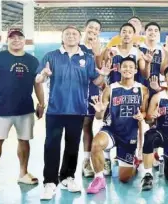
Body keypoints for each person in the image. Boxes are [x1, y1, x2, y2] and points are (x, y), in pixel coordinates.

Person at [35, 25, 112, 200]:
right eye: (67, 34)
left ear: (79, 38)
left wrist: (105, 75)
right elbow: (38, 78)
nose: (71, 36)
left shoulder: (87, 58)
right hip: (55, 109)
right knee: (52, 145)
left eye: (74, 34)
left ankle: (68, 177)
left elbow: (97, 80)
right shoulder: (51, 56)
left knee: (72, 145)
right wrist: (44, 75)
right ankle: (50, 182)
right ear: (62, 38)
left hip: (77, 109)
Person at [0, 28, 45, 192]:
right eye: (12, 38)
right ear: (7, 40)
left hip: (25, 109)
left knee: (24, 141)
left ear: (25, 40)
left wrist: (41, 103)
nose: (16, 40)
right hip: (1, 109)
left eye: (19, 37)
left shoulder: (32, 60)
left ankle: (23, 173)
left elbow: (37, 84)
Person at [86, 57, 149, 193]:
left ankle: (134, 163)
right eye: (124, 66)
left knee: (124, 178)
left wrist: (142, 116)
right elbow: (99, 117)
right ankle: (99, 178)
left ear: (136, 70)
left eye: (131, 67)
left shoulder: (142, 89)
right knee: (96, 144)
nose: (127, 69)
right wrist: (100, 110)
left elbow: (144, 112)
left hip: (129, 134)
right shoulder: (110, 89)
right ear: (119, 69)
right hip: (112, 130)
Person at [79, 18, 103, 178]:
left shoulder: (100, 50)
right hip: (75, 92)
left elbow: (101, 72)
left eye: (96, 29)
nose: (93, 30)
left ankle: (88, 160)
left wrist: (97, 53)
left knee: (88, 125)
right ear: (85, 29)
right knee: (74, 128)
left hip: (92, 92)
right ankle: (73, 163)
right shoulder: (76, 47)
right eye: (91, 28)